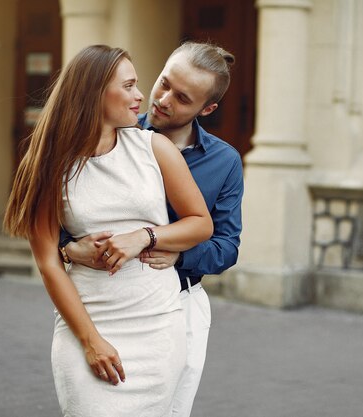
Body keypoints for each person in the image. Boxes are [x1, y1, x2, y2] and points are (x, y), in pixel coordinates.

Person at [4, 44, 213, 417]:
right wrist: (90, 341)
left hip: (158, 328)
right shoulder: (48, 164)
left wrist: (145, 236)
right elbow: (49, 263)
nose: (140, 97)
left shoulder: (154, 148)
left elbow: (201, 223)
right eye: (129, 86)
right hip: (89, 323)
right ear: (94, 91)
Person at [60, 41, 244, 417]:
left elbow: (227, 246)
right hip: (106, 300)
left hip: (179, 302)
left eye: (182, 97)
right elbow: (75, 207)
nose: (161, 99)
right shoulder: (118, 129)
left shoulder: (224, 162)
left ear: (206, 109)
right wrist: (68, 247)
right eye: (163, 83)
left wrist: (178, 251)